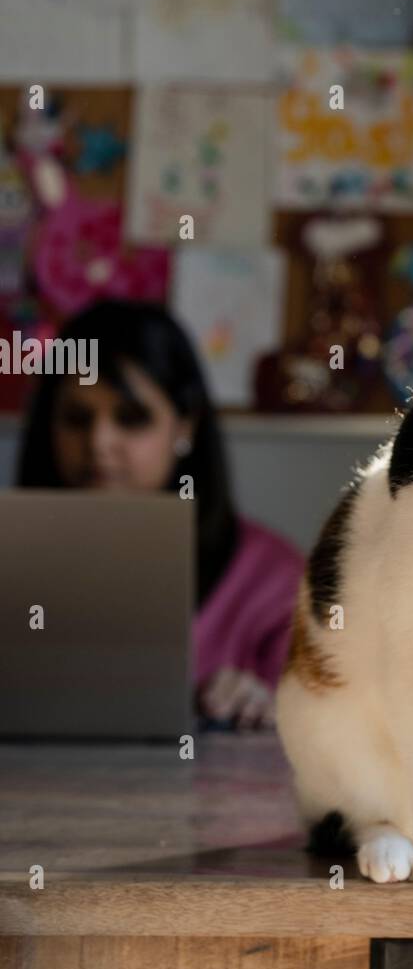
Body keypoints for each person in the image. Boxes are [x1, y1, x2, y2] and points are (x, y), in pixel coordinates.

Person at [17, 300, 305, 729]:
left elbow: (340, 718)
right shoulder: (16, 562)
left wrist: (275, 708)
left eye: (131, 418)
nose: (99, 443)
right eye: (77, 419)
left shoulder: (277, 583)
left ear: (185, 426)